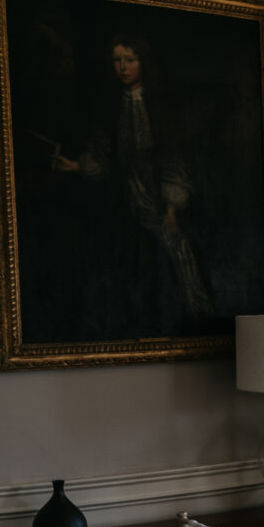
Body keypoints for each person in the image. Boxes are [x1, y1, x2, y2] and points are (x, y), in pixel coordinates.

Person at [54, 34, 211, 332]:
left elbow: (173, 157)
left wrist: (172, 206)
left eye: (130, 60)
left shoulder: (161, 106)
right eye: (117, 60)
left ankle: (194, 312)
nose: (123, 67)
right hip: (123, 198)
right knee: (127, 263)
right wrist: (76, 165)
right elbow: (104, 154)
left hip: (159, 196)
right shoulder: (112, 107)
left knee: (175, 254)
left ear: (143, 62)